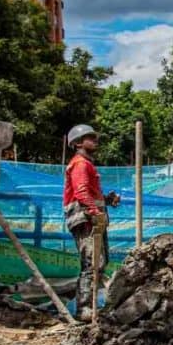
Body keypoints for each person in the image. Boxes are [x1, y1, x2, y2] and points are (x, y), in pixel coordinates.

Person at [63, 124, 120, 319]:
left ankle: (90, 306)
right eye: (90, 137)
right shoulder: (80, 164)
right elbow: (81, 192)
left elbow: (89, 193)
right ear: (78, 143)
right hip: (86, 219)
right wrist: (95, 211)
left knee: (100, 262)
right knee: (92, 263)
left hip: (92, 216)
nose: (95, 141)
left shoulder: (87, 164)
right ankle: (85, 308)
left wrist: (105, 200)